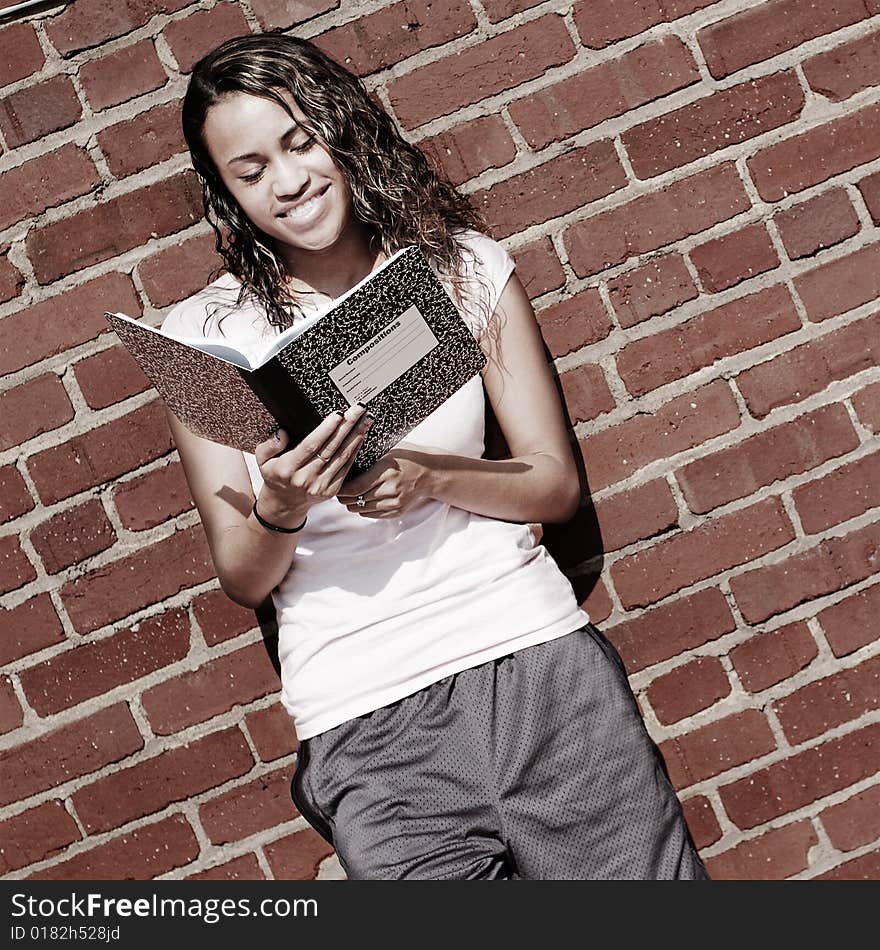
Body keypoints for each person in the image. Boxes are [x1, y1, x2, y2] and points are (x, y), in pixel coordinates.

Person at [161, 32, 709, 880]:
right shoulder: (205, 336)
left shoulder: (462, 271)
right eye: (251, 168)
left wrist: (427, 478)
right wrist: (281, 506)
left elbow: (553, 484)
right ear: (227, 192)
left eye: (300, 142)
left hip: (535, 667)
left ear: (342, 132)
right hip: (362, 713)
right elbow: (242, 575)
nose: (289, 181)